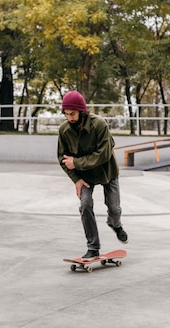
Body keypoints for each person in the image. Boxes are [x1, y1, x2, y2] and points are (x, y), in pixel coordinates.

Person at [57, 90, 128, 260]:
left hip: (106, 172)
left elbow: (104, 154)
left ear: (82, 111)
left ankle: (115, 224)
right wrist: (76, 179)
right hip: (84, 176)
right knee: (85, 205)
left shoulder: (99, 125)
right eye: (66, 114)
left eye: (73, 114)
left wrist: (77, 162)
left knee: (114, 207)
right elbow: (62, 158)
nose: (70, 118)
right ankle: (93, 247)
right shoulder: (64, 130)